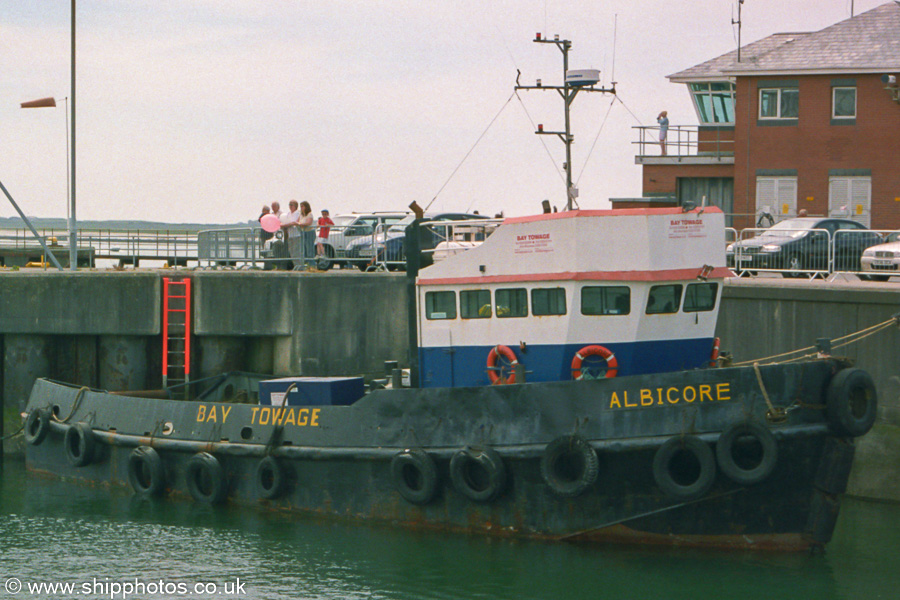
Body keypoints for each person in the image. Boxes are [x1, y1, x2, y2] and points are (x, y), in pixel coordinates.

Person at [284, 200, 303, 269]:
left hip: (296, 235)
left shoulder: (297, 213)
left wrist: (286, 225)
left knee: (296, 251)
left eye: (291, 205)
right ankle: (295, 265)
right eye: (289, 205)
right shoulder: (288, 214)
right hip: (290, 235)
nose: (290, 206)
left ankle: (299, 266)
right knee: (291, 251)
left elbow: (293, 222)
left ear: (295, 206)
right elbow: (286, 222)